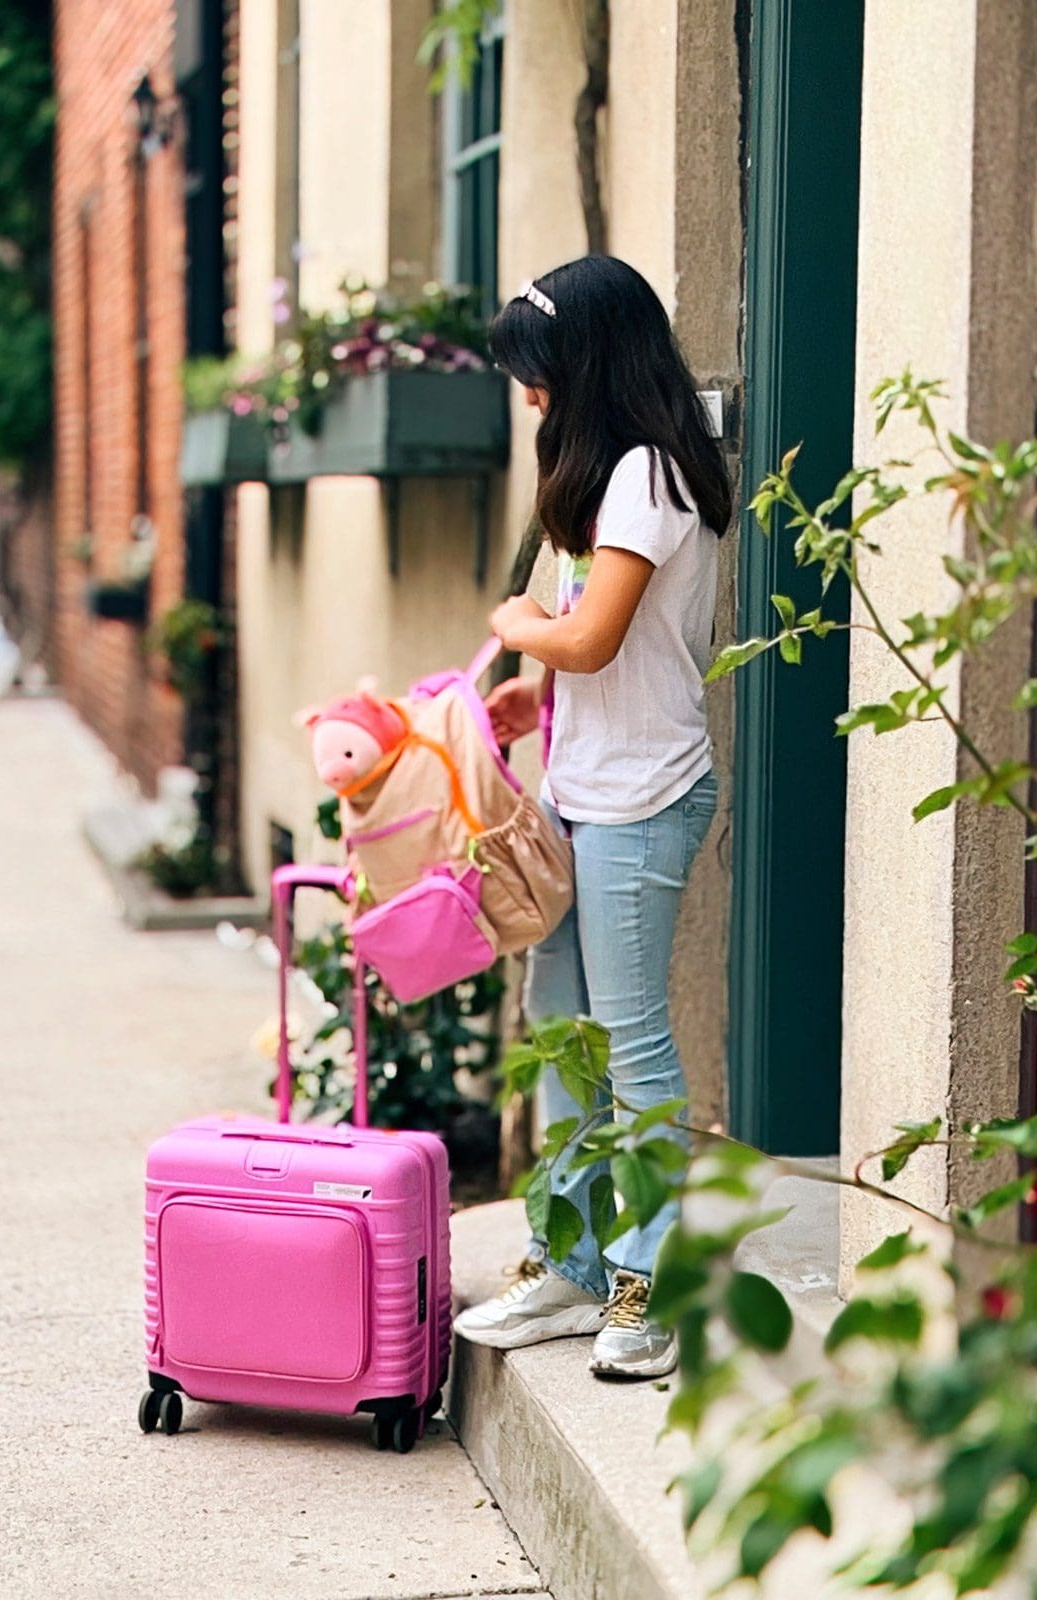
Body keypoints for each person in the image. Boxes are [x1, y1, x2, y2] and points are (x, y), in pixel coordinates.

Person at [453, 256, 730, 1379]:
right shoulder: (618, 471)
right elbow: (601, 650)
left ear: (588, 366)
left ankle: (648, 1284)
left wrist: (528, 623)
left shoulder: (652, 478)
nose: (530, 395)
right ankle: (568, 1259)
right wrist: (541, 689)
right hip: (585, 791)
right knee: (562, 1031)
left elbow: (596, 632)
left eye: (539, 373)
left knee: (632, 1042)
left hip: (643, 799)